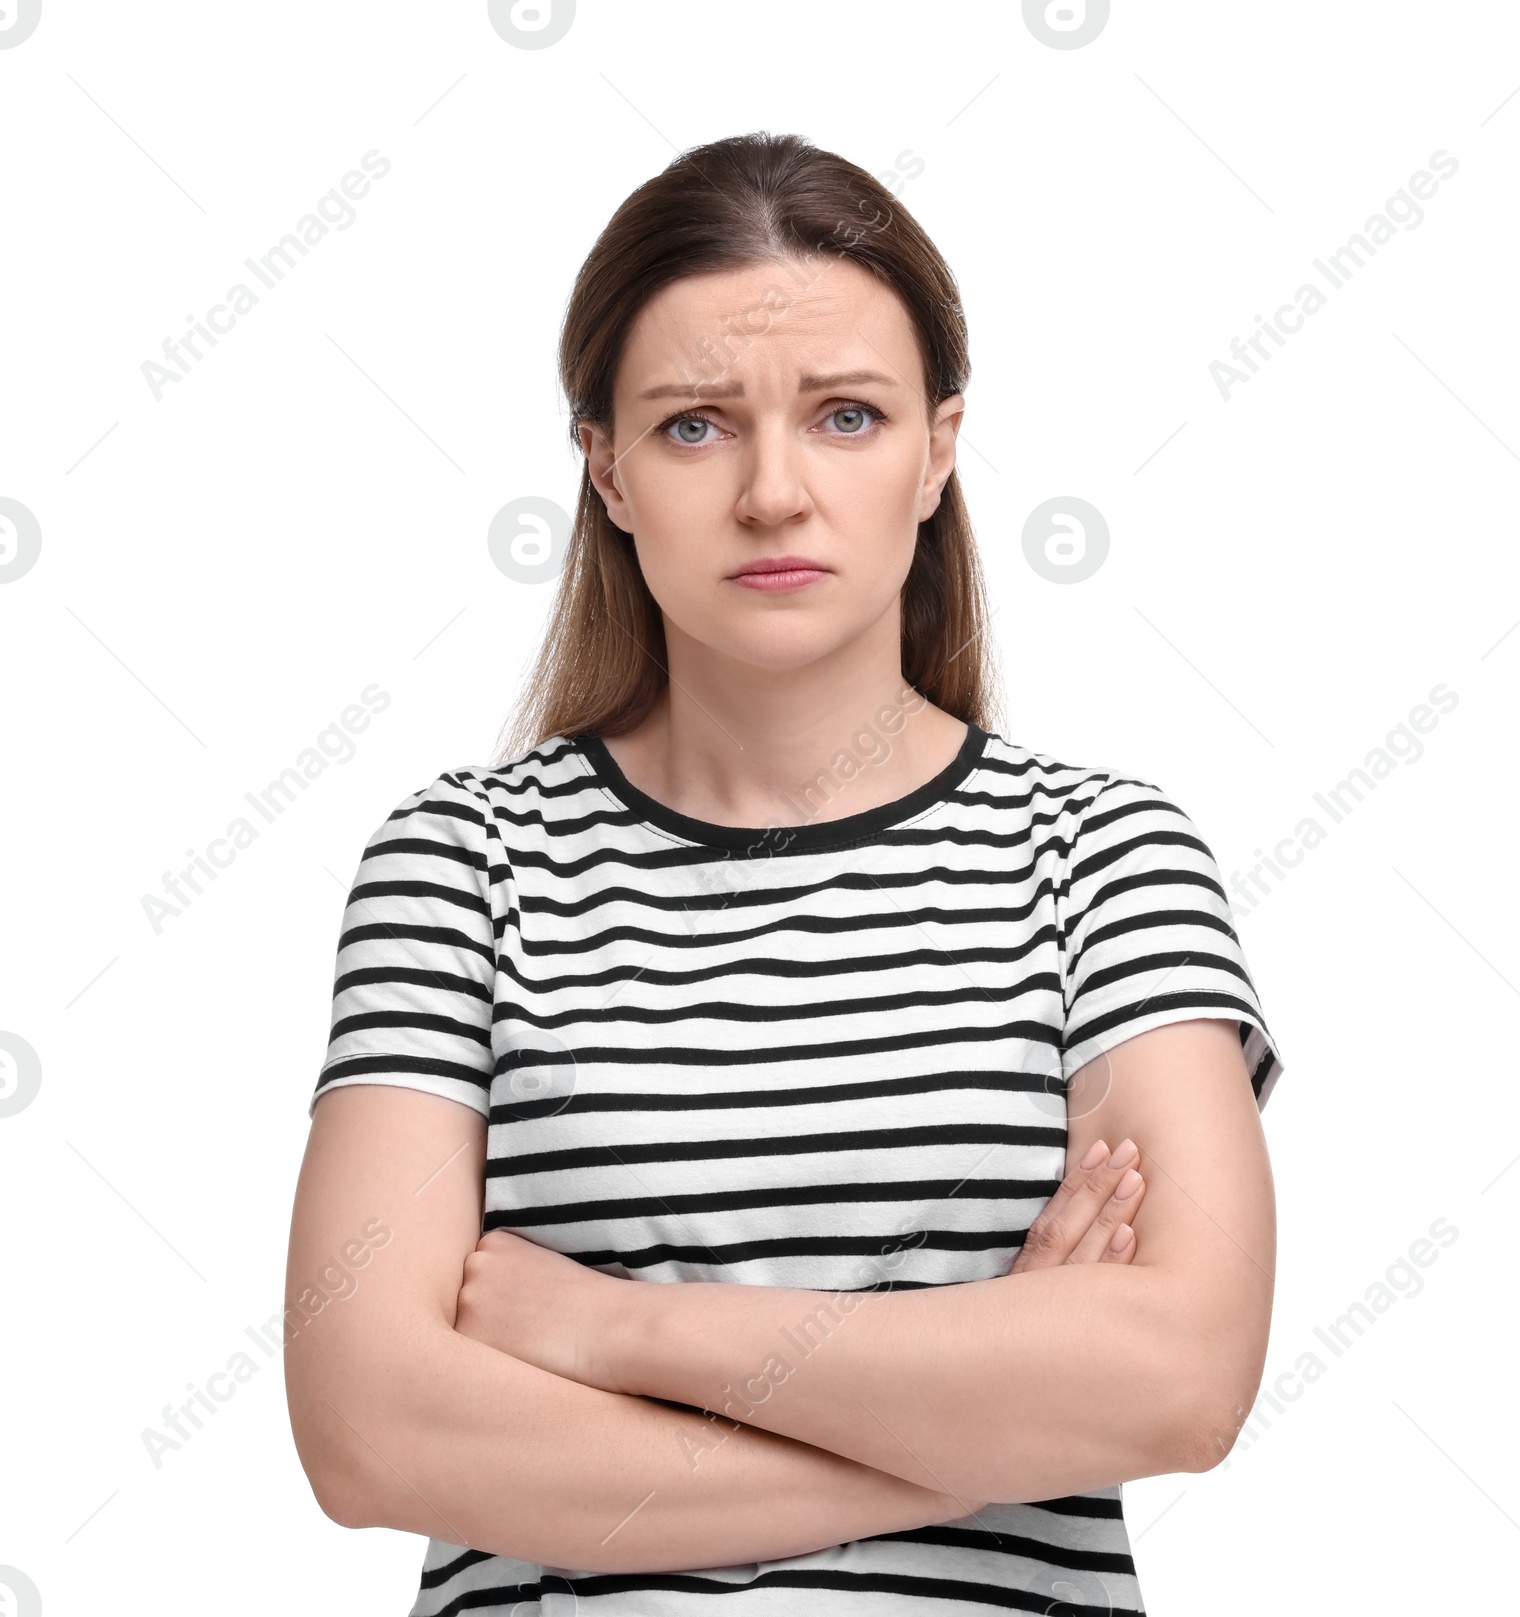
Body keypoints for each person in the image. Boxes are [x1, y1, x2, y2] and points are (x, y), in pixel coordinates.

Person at [284, 130, 1286, 1615]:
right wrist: (981, 1413)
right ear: (607, 469)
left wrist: (614, 1332)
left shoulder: (1103, 858)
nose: (772, 491)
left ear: (939, 450)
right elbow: (370, 1430)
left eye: (846, 416)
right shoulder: (462, 865)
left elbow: (1184, 1375)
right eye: (695, 424)